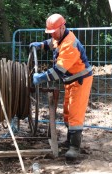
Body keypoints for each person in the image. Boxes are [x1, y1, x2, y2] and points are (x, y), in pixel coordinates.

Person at [29, 13, 93, 160]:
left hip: (81, 80)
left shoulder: (70, 44)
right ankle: (69, 141)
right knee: (67, 112)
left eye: (53, 32)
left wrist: (40, 78)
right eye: (49, 32)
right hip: (71, 80)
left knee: (75, 113)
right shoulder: (60, 37)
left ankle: (74, 148)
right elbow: (52, 43)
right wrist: (41, 45)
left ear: (62, 27)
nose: (52, 35)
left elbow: (58, 71)